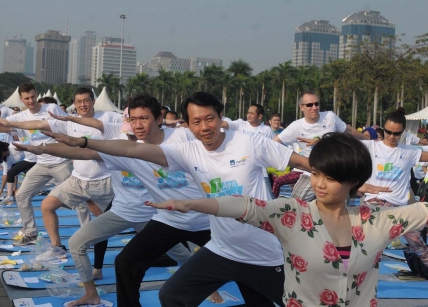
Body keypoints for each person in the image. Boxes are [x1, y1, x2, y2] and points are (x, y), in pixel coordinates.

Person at [35, 92, 310, 307]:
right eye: (196, 122)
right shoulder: (185, 150)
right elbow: (128, 149)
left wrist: (346, 180)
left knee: (274, 300)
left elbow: (304, 163)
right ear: (188, 124)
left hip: (241, 239)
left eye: (210, 119)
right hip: (197, 233)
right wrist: (82, 142)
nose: (204, 127)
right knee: (156, 285)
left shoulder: (242, 142)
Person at [146, 132, 428, 307]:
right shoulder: (293, 215)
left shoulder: (377, 221)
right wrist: (188, 203)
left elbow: (427, 211)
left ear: (354, 181)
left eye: (331, 177)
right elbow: (244, 205)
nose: (320, 184)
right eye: (316, 173)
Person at [17, 105, 192, 306]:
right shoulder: (114, 148)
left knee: (181, 254)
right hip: (121, 212)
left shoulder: (157, 150)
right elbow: (84, 151)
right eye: (130, 126)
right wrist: (40, 148)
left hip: (150, 215)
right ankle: (91, 293)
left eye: (141, 122)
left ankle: (206, 284)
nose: (133, 131)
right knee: (76, 243)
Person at [0, 87, 119, 251]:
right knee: (46, 205)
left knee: (121, 220)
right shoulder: (68, 122)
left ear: (93, 101)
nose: (83, 104)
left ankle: (90, 235)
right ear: (74, 104)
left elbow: (132, 123)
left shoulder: (108, 117)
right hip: (75, 178)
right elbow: (38, 124)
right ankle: (55, 246)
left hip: (103, 181)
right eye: (79, 101)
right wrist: (7, 122)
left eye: (86, 100)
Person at [0, 83, 73, 246]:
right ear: (21, 99)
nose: (31, 101)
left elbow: (69, 127)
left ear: (37, 95)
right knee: (21, 195)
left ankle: (92, 229)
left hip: (60, 162)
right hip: (41, 164)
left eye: (33, 97)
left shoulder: (52, 109)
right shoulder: (20, 116)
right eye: (27, 98)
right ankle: (30, 233)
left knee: (80, 200)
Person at [359, 111, 428, 276]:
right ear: (383, 129)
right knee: (364, 245)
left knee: (419, 246)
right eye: (388, 132)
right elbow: (342, 145)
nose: (391, 136)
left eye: (396, 133)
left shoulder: (409, 151)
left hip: (400, 210)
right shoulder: (370, 146)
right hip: (375, 204)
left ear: (403, 132)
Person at [274, 91, 369, 201]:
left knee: (340, 207)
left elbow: (350, 131)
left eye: (316, 104)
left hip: (335, 171)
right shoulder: (296, 126)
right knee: (298, 204)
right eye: (309, 105)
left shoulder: (330, 117)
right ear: (301, 107)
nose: (314, 107)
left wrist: (370, 140)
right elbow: (274, 143)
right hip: (311, 172)